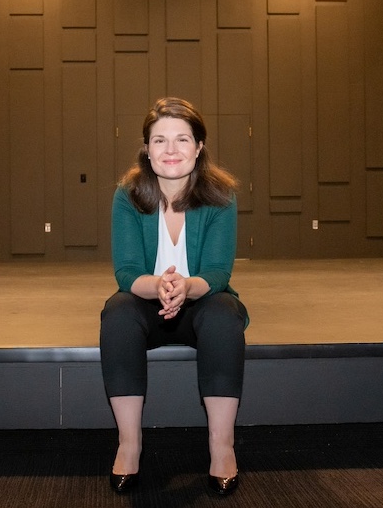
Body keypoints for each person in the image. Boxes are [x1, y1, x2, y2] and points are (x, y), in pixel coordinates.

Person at [100, 97, 249, 496]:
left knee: (224, 314)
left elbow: (218, 272)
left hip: (200, 301)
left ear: (199, 147)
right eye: (159, 140)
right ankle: (129, 445)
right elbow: (127, 272)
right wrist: (160, 286)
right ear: (146, 150)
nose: (170, 150)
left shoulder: (221, 195)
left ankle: (222, 448)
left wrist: (186, 287)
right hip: (147, 304)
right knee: (117, 312)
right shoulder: (127, 195)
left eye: (182, 139)